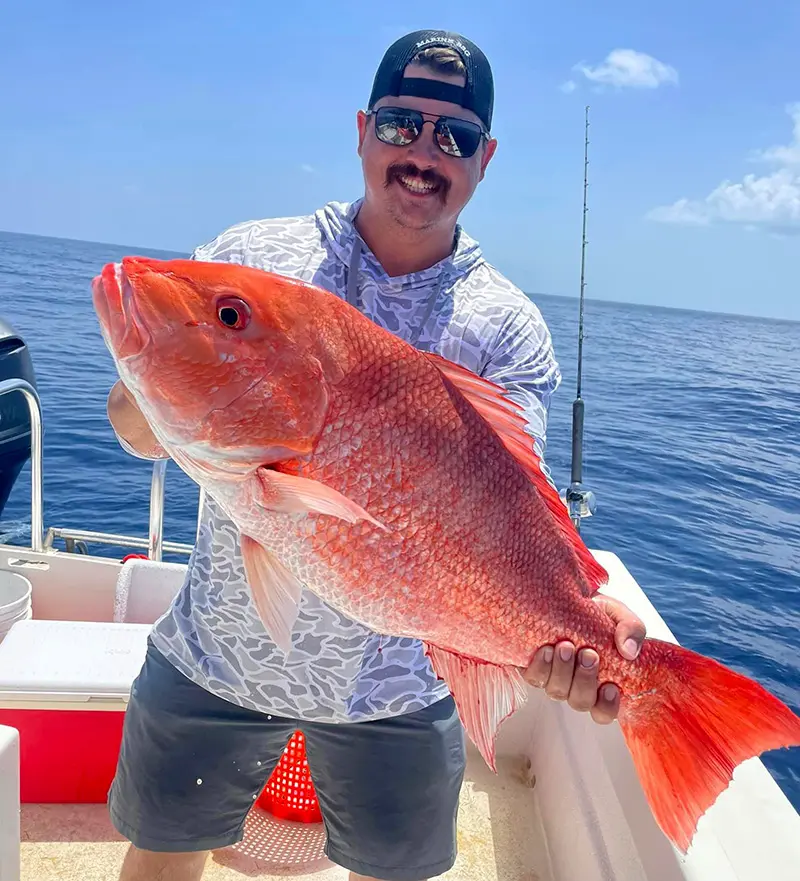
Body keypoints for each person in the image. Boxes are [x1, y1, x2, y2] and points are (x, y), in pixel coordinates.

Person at [106, 29, 647, 881]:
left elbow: (518, 510)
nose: (424, 152)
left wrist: (577, 619)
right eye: (401, 124)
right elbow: (131, 426)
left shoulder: (506, 327)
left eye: (454, 135)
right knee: (161, 853)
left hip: (401, 686)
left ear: (485, 157)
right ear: (362, 128)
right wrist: (173, 381)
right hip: (217, 652)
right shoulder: (250, 257)